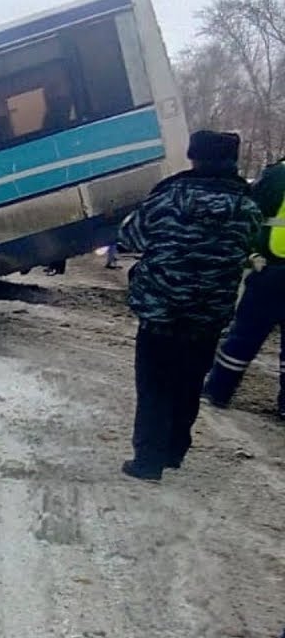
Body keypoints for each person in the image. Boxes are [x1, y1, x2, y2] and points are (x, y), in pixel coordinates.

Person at [116, 130, 262, 481]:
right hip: (209, 315)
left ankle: (148, 461)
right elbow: (247, 248)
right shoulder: (247, 207)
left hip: (161, 311)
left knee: (154, 386)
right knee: (189, 382)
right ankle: (174, 451)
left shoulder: (167, 198)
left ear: (194, 156)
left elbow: (128, 239)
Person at [203, 156, 285, 420]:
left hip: (273, 269)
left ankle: (219, 390)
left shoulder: (278, 175)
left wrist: (248, 253)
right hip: (274, 268)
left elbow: (250, 211)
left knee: (245, 334)